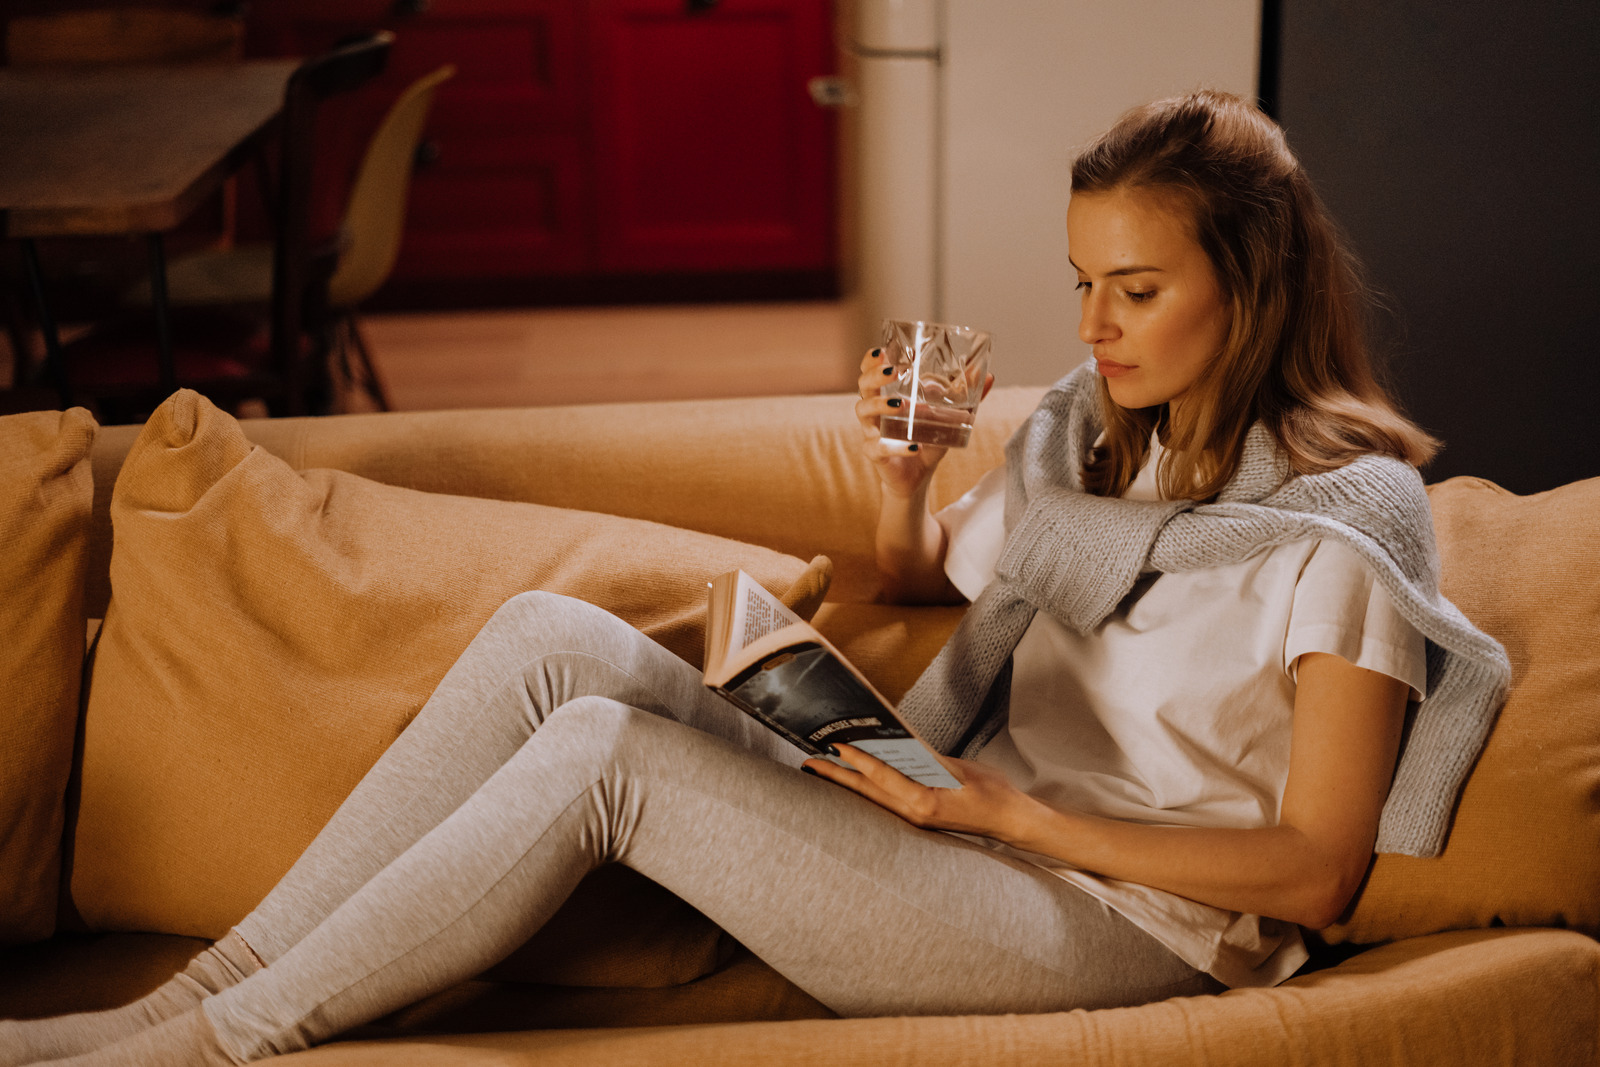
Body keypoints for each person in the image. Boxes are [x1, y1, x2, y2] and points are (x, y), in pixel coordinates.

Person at [1, 89, 1508, 1067]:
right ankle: (183, 997)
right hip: (963, 820)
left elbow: (1316, 869)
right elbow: (931, 575)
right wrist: (906, 478)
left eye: (1136, 290)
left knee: (607, 754)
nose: (1094, 326)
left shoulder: (1341, 534)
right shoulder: (1095, 449)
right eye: (1081, 285)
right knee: (547, 640)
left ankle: (213, 1051)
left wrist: (1017, 815)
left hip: (1119, 918)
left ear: (1248, 288)